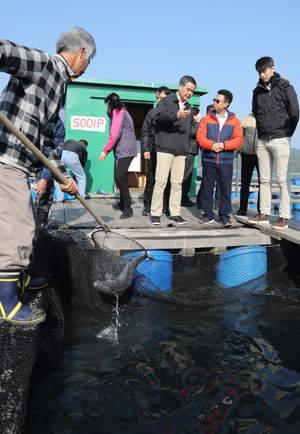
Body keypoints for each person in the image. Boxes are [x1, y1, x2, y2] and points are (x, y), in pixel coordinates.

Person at [0, 27, 96, 325]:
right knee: (20, 229)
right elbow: (3, 50)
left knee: (16, 225)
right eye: (89, 59)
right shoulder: (44, 64)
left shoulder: (59, 86)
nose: (87, 65)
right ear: (81, 52)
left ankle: (14, 284)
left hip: (20, 164)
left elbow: (46, 144)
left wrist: (62, 175)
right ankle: (6, 304)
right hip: (7, 159)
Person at [248, 57, 299, 230]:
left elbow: (295, 112)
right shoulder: (257, 91)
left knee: (282, 180)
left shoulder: (286, 88)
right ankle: (264, 213)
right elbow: (256, 112)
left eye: (264, 71)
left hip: (280, 138)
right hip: (262, 140)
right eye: (259, 72)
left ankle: (283, 217)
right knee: (264, 179)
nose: (262, 75)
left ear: (272, 69)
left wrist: (287, 133)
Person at [150, 75, 197, 225]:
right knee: (161, 182)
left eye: (192, 91)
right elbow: (158, 117)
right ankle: (155, 213)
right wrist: (176, 115)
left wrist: (185, 149)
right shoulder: (166, 101)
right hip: (165, 148)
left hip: (180, 151)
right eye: (188, 89)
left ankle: (175, 213)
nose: (190, 93)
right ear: (180, 86)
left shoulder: (189, 108)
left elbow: (188, 132)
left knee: (177, 183)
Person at [197, 90, 243, 227]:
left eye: (218, 101)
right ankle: (208, 215)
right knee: (206, 188)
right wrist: (212, 145)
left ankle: (224, 216)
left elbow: (238, 140)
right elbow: (200, 137)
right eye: (214, 100)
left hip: (226, 161)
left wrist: (223, 145)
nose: (214, 103)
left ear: (226, 104)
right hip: (209, 159)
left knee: (225, 189)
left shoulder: (235, 121)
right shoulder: (206, 119)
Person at [98, 93, 137, 219]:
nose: (107, 107)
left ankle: (128, 208)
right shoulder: (122, 111)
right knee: (120, 177)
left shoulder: (118, 111)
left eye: (107, 104)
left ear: (110, 102)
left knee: (119, 177)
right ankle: (122, 203)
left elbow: (115, 134)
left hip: (126, 150)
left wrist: (105, 150)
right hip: (124, 150)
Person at [141, 86, 171, 216]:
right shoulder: (152, 113)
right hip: (153, 149)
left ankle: (165, 206)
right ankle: (147, 206)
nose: (159, 100)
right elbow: (145, 131)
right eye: (157, 98)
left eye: (161, 98)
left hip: (169, 151)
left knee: (167, 180)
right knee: (151, 179)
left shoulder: (173, 114)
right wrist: (146, 149)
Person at [34, 118, 65, 230]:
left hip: (44, 163)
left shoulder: (58, 124)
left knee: (45, 196)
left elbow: (57, 152)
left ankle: (39, 229)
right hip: (21, 160)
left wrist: (45, 178)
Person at [196, 104, 221, 210]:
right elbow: (201, 142)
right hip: (208, 155)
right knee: (210, 180)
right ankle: (205, 202)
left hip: (214, 155)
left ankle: (210, 203)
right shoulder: (205, 123)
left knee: (210, 180)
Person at [236, 113, 260, 216]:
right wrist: (240, 149)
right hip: (247, 155)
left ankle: (261, 210)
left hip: (262, 156)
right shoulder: (245, 119)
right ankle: (242, 209)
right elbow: (239, 136)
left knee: (263, 184)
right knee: (245, 184)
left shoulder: (267, 119)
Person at [181, 107, 201, 207]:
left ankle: (185, 197)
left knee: (187, 176)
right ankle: (183, 199)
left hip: (189, 152)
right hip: (188, 151)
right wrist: (197, 122)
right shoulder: (190, 123)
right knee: (186, 176)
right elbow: (193, 133)